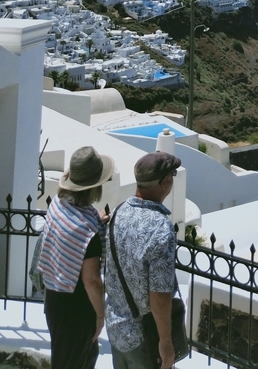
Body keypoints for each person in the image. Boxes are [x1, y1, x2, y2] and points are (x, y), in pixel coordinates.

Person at [38, 145, 115, 369]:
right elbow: (91, 281)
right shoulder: (87, 231)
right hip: (77, 310)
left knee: (63, 360)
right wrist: (100, 316)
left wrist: (95, 220)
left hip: (54, 299)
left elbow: (73, 235)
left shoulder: (58, 206)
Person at [105, 151, 182, 369]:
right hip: (144, 337)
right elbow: (159, 293)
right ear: (165, 181)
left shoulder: (118, 213)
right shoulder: (160, 228)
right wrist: (166, 342)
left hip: (116, 329)